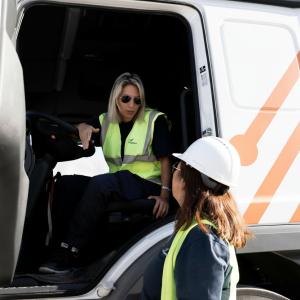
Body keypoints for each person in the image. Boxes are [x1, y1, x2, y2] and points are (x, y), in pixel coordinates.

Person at [39, 72, 172, 274]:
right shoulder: (106, 120)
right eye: (126, 99)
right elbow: (81, 128)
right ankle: (58, 249)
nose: (132, 105)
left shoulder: (154, 120)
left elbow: (166, 161)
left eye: (137, 100)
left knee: (101, 184)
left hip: (148, 184)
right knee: (67, 184)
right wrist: (82, 127)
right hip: (120, 183)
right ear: (115, 99)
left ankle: (69, 253)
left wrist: (164, 196)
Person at [141, 136, 252, 300]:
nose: (173, 174)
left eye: (176, 169)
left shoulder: (203, 240)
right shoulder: (195, 229)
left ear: (186, 180)